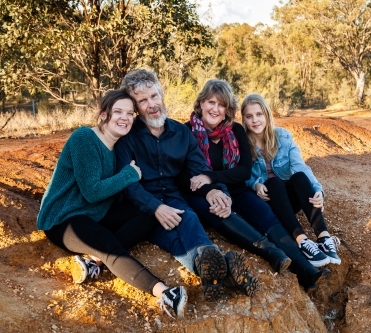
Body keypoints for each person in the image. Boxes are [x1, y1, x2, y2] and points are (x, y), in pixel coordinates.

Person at [37, 89, 187, 318]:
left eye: (130, 113)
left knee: (148, 213)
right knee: (107, 242)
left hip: (94, 212)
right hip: (64, 219)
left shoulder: (118, 146)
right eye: (118, 111)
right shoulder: (84, 139)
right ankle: (166, 294)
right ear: (103, 114)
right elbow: (91, 192)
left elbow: (112, 193)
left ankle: (92, 262)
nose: (124, 118)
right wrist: (129, 174)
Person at [115, 69, 257, 301]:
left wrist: (215, 190)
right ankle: (227, 272)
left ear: (161, 95)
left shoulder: (181, 133)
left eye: (154, 96)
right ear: (135, 107)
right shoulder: (127, 138)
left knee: (188, 218)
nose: (151, 104)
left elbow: (199, 168)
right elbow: (128, 185)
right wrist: (156, 208)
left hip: (174, 199)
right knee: (172, 237)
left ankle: (212, 266)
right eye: (142, 100)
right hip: (141, 208)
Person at [184, 79, 330, 291]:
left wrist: (211, 177)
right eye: (211, 102)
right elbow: (187, 174)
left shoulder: (235, 130)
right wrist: (210, 186)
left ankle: (306, 270)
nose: (215, 109)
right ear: (201, 104)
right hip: (206, 194)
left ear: (228, 109)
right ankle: (274, 255)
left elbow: (243, 170)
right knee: (225, 213)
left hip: (238, 190)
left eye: (221, 104)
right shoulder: (186, 131)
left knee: (266, 216)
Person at [241, 93, 342, 267]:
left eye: (259, 114)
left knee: (300, 177)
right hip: (268, 202)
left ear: (267, 114)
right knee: (273, 182)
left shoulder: (283, 136)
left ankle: (324, 237)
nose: (255, 120)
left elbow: (300, 166)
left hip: (287, 201)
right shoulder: (242, 142)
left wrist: (318, 190)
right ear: (243, 119)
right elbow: (241, 174)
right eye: (249, 116)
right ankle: (302, 241)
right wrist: (255, 184)